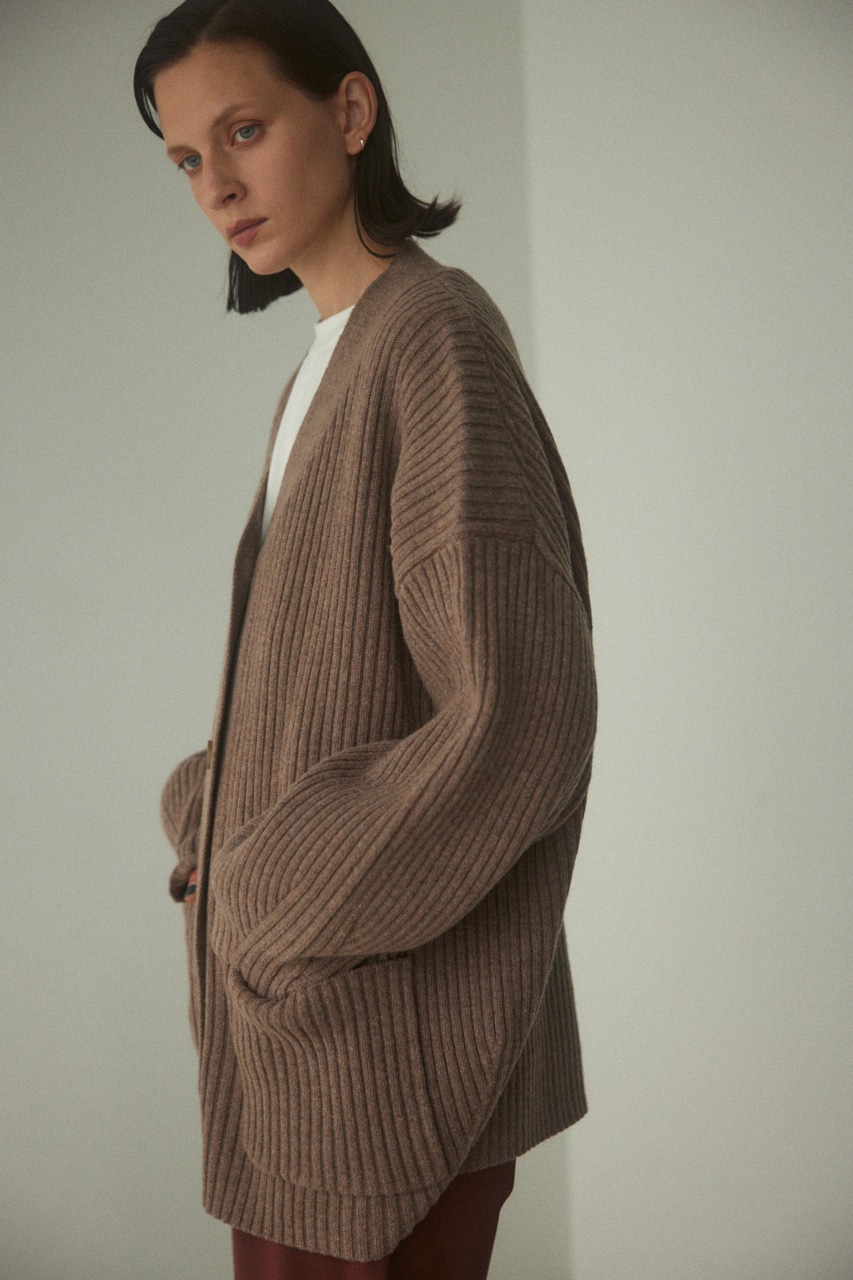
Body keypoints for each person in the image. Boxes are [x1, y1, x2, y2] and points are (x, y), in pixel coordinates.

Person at [134, 2, 597, 1276]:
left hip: (383, 1057)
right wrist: (210, 809)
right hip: (317, 1042)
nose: (216, 185)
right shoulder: (324, 367)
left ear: (348, 112)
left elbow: (518, 719)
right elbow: (319, 684)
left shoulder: (431, 339)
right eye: (186, 157)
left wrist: (266, 892)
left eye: (243, 130)